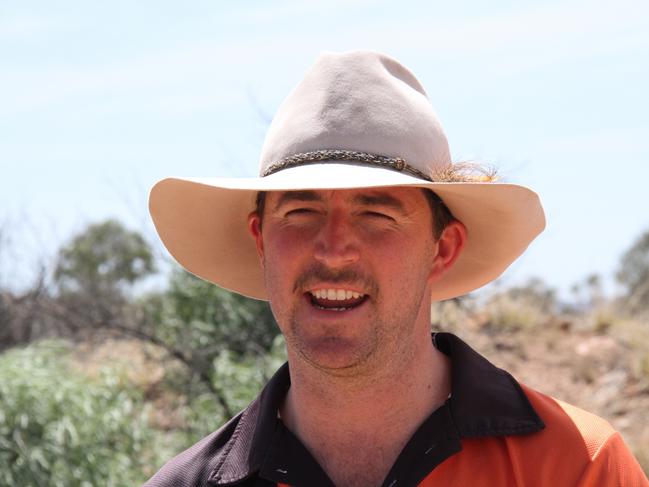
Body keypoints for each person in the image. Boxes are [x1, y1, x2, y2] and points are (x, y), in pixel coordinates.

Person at [144, 51, 648, 486]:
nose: (334, 250)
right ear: (261, 240)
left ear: (442, 248)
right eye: (300, 213)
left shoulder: (576, 469)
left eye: (376, 215)